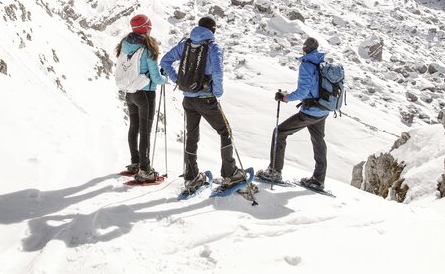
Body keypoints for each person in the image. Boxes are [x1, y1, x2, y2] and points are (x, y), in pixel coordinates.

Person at [160, 16, 246, 192]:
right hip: (206, 98)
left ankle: (192, 177)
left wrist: (178, 80)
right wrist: (217, 93)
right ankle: (230, 173)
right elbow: (218, 72)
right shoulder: (213, 48)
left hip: (188, 99)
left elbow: (165, 61)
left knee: (191, 136)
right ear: (213, 30)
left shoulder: (186, 44)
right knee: (225, 131)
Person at [257, 37, 329, 191]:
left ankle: (274, 171)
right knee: (318, 141)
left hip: (310, 111)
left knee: (279, 132)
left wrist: (285, 97)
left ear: (305, 49)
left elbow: (303, 91)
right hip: (323, 110)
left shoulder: (307, 65)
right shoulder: (322, 62)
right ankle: (318, 179)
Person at [115, 14, 167, 183]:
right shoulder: (148, 46)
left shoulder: (125, 43)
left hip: (130, 92)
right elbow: (155, 77)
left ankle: (135, 162)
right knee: (145, 132)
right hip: (145, 94)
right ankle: (145, 170)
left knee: (134, 127)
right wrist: (165, 79)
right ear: (146, 27)